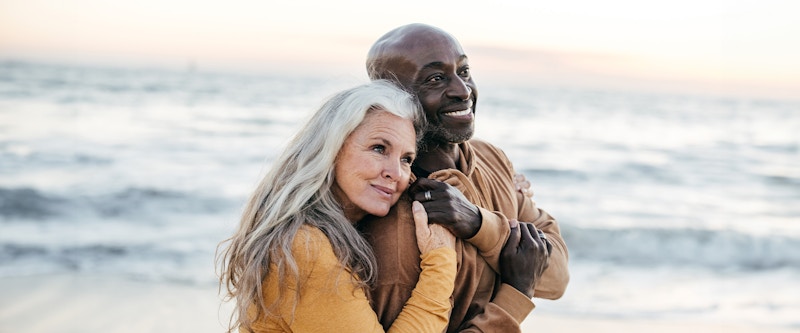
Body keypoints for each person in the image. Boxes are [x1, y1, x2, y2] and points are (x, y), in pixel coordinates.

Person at [359, 23, 570, 333]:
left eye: (464, 71)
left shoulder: (491, 158)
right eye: (435, 79)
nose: (463, 90)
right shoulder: (397, 211)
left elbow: (557, 279)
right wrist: (517, 292)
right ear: (393, 98)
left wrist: (478, 224)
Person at [217, 81, 458, 332]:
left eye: (406, 159)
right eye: (378, 148)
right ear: (331, 149)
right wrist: (440, 260)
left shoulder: (320, 232)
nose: (396, 173)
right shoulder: (305, 247)